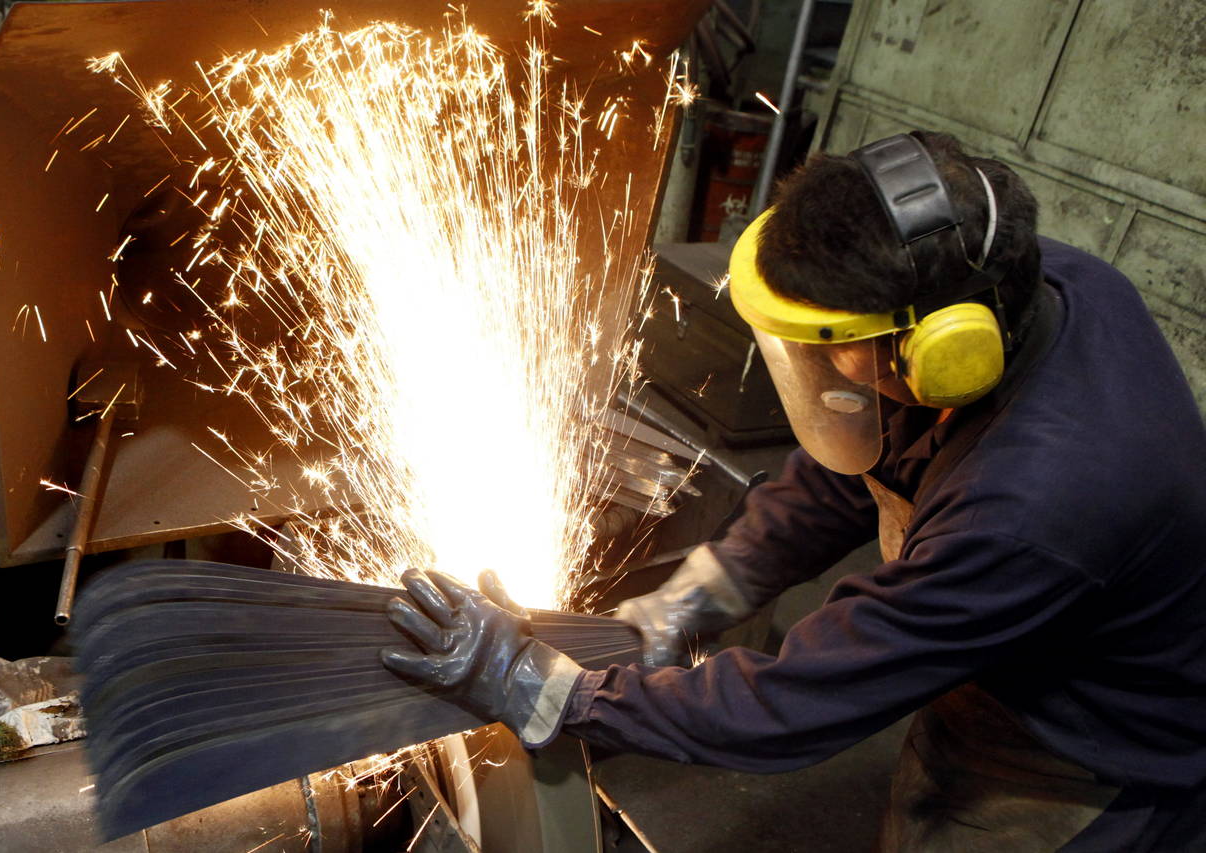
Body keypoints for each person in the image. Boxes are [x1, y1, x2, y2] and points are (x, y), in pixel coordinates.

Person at [380, 131, 1206, 851]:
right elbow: (855, 452)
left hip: (1081, 752)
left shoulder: (1034, 508)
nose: (817, 372)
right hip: (1013, 641)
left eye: (831, 346)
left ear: (941, 352)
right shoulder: (1005, 285)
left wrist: (551, 693)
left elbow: (802, 697)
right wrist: (701, 592)